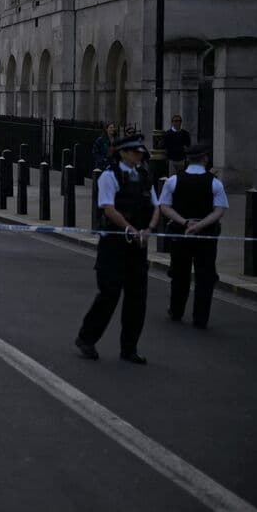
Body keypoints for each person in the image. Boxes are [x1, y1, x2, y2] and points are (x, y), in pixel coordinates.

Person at [75, 134, 161, 365]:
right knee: (109, 294)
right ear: (123, 153)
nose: (139, 155)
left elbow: (156, 206)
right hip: (113, 245)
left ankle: (129, 348)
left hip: (137, 246)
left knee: (137, 298)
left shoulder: (144, 176)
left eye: (140, 152)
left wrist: (149, 229)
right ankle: (86, 338)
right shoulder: (109, 176)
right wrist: (129, 228)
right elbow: (108, 208)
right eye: (134, 152)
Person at [159, 143, 228, 328]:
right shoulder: (214, 182)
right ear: (205, 159)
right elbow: (219, 210)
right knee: (205, 276)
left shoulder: (173, 180)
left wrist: (185, 223)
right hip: (206, 235)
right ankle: (200, 317)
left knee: (179, 273)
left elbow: (164, 206)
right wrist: (200, 225)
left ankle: (176, 310)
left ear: (187, 159)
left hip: (180, 233)